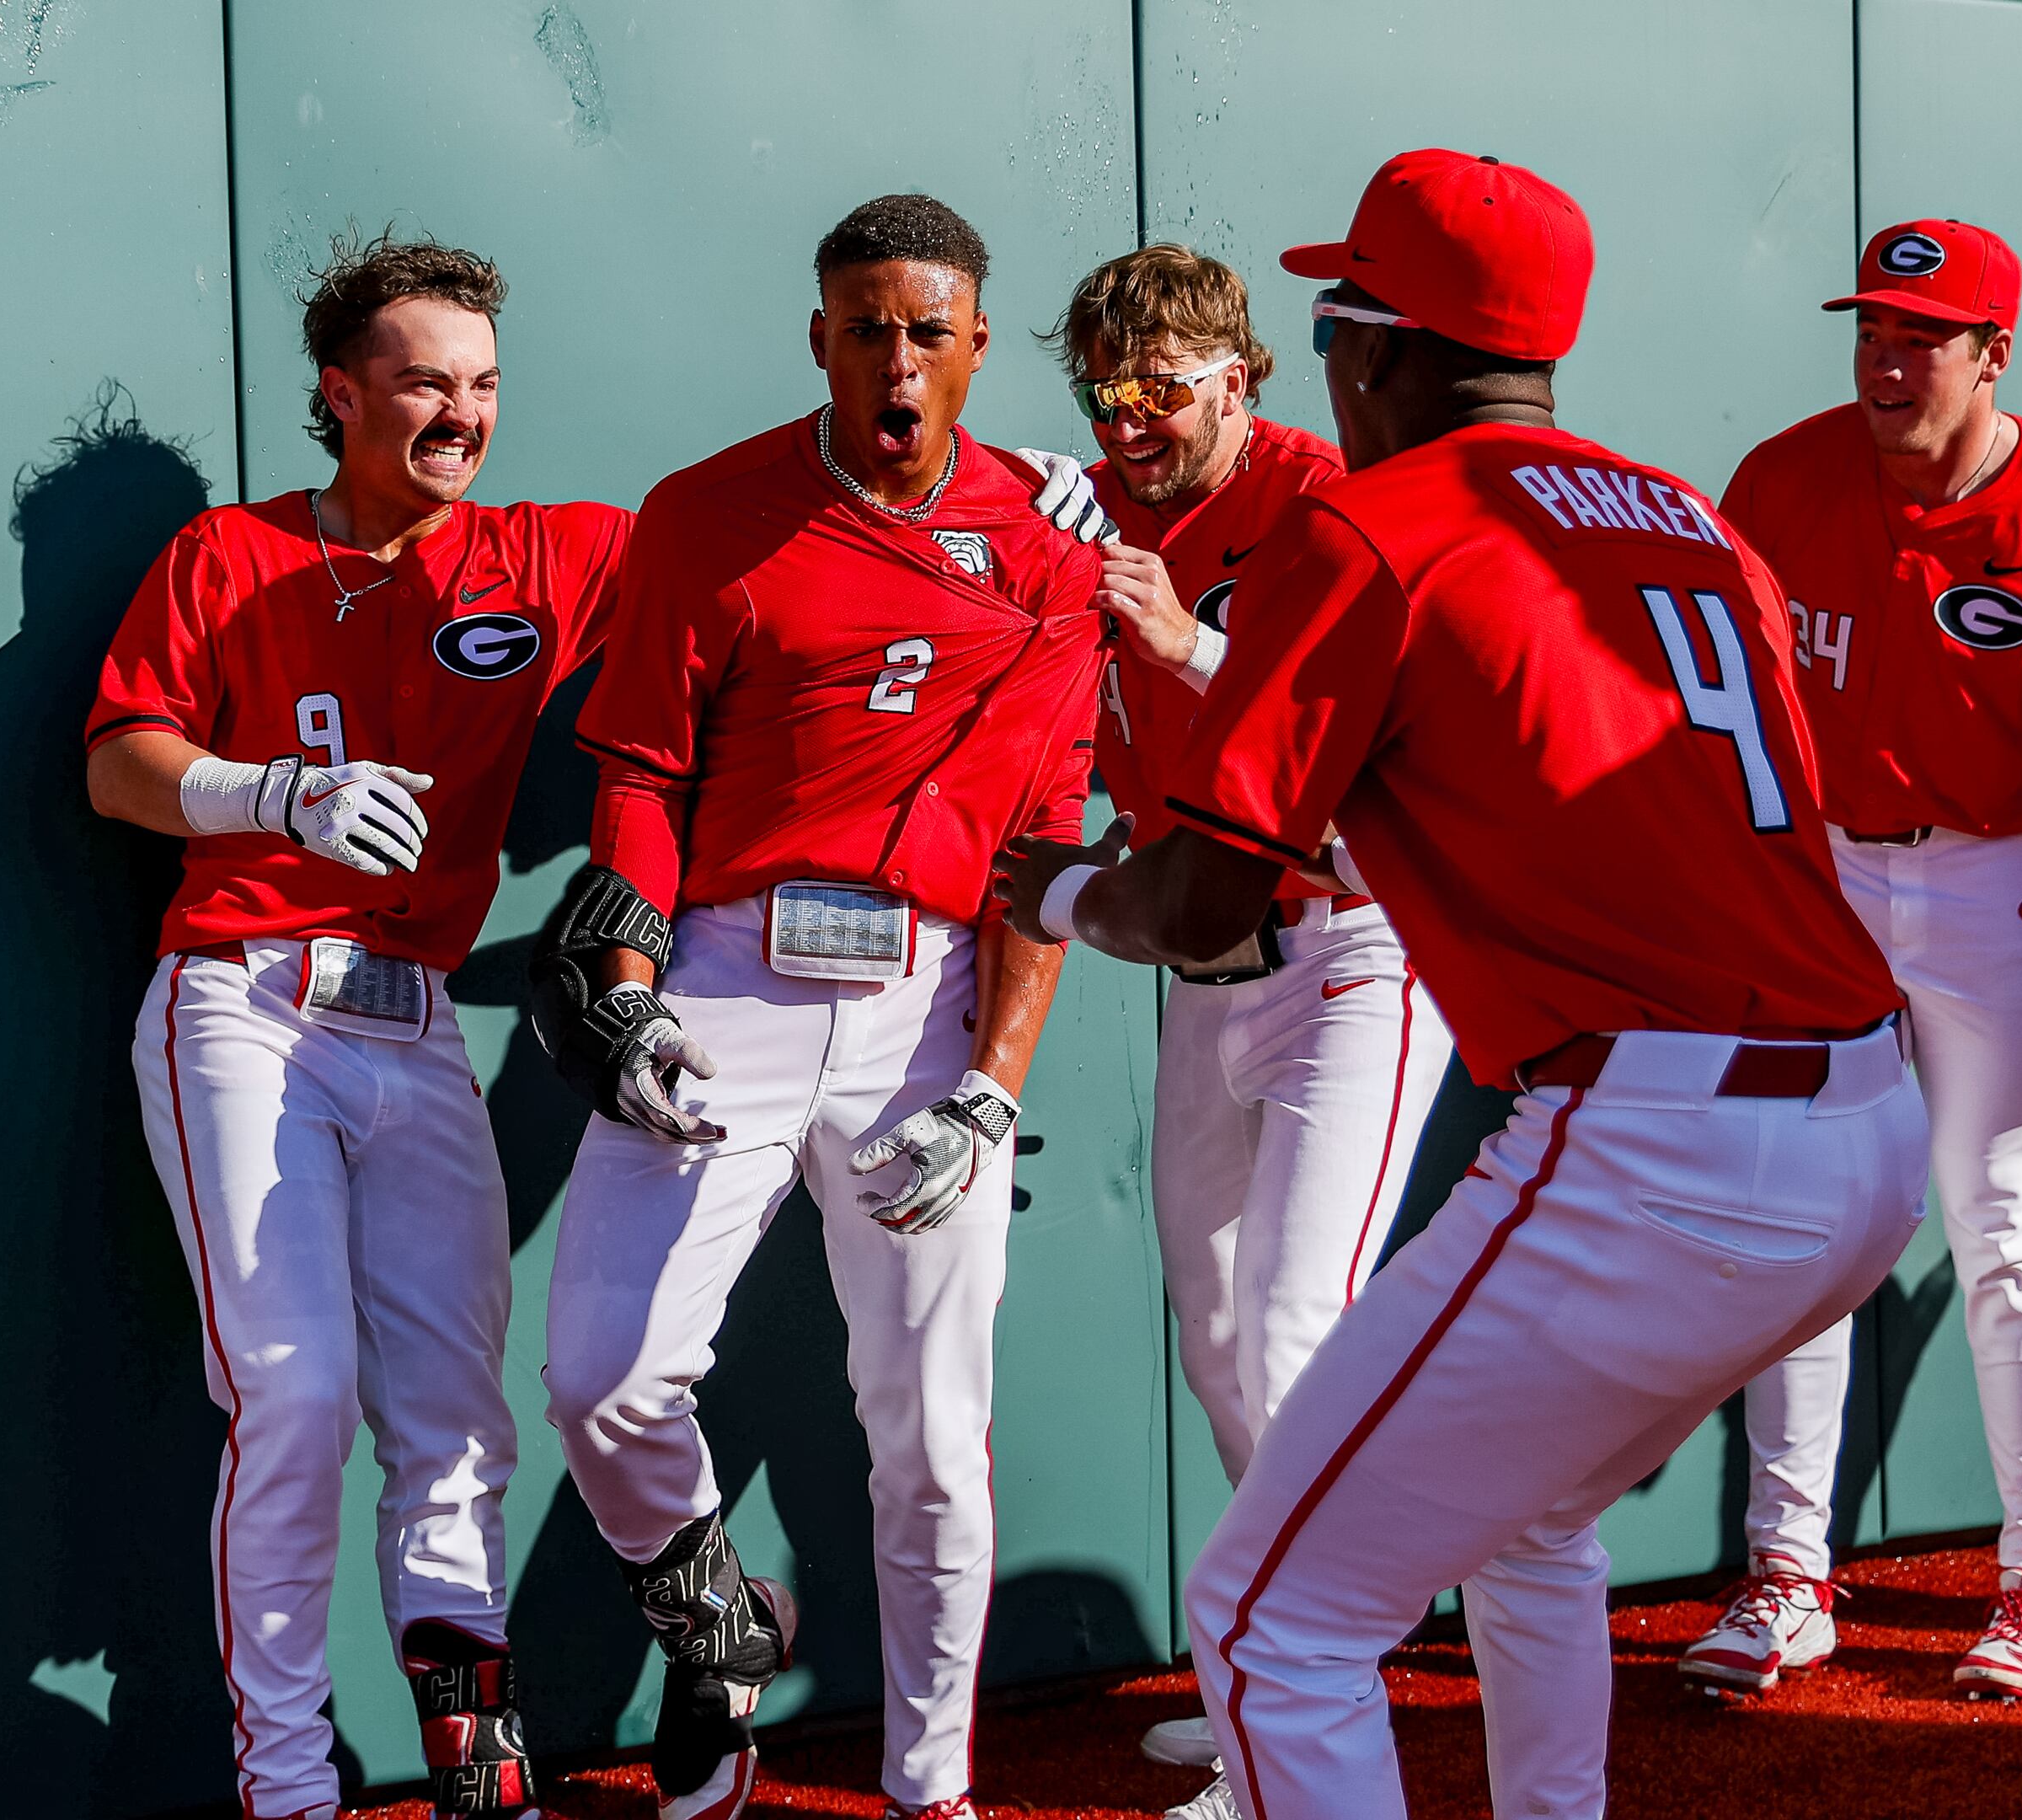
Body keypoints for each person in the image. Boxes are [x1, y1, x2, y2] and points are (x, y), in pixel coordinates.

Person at [997, 149, 1929, 1820]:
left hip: (1655, 1139)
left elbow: (1211, 896)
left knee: (1270, 1621)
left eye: (1338, 319)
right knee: (1529, 1519)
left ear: (1377, 348)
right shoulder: (1693, 520)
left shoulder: (1369, 523)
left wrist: (1062, 890)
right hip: (1863, 1121)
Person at [525, 194, 1105, 1820]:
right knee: (604, 1376)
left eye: (930, 332)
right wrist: (630, 995)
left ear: (978, 347)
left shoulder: (1055, 545)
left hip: (926, 1006)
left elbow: (1047, 844)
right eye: (868, 328)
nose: (897, 361)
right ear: (820, 339)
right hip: (729, 981)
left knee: (929, 1434)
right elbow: (637, 765)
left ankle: (936, 1787)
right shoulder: (711, 513)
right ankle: (715, 1632)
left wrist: (994, 1080)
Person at [85, 238, 623, 1820]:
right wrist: (275, 795)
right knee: (298, 1392)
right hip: (243, 1007)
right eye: (423, 383)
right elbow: (118, 765)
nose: (460, 414)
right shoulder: (225, 551)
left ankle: (474, 1768)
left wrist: (1010, 491)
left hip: (416, 1028)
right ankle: (290, 1784)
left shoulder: (546, 551)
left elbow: (748, 548)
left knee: (458, 1417)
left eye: (483, 385)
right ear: (339, 392)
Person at [1678, 219, 2022, 1702]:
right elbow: (1719, 704)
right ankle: (1786, 1575)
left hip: (1984, 894)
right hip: (1819, 877)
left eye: (1925, 336)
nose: (1888, 361)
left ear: (1992, 354)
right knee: (1799, 1224)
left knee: (2006, 1230)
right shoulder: (1781, 476)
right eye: (1873, 331)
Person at [1033, 245, 1448, 1817]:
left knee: (1291, 1328)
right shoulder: (1095, 503)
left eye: (1159, 388)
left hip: (1352, 944)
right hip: (1202, 968)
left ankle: (1316, 1717)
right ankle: (1276, 1675)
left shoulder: (1327, 499)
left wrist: (1191, 648)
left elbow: (1373, 750)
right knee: (1218, 1337)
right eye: (1102, 393)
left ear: (1243, 375)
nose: (1127, 421)